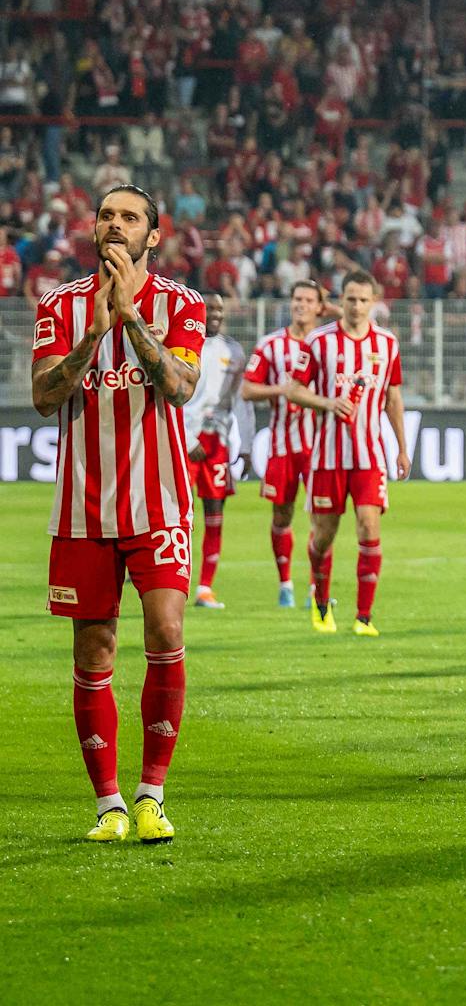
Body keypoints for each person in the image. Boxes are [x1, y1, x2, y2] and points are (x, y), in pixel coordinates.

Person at [33, 184, 205, 844]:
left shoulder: (182, 305)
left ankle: (151, 794)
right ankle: (108, 805)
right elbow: (44, 395)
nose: (114, 224)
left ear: (151, 237)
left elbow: (181, 387)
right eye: (106, 214)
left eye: (129, 217)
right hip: (82, 508)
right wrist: (94, 335)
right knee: (94, 646)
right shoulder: (59, 306)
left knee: (164, 629)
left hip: (159, 502)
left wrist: (131, 320)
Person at [295, 272, 409, 637]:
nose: (357, 306)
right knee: (324, 536)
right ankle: (321, 602)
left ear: (373, 301)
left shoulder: (388, 344)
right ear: (340, 301)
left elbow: (392, 398)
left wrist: (403, 449)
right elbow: (295, 390)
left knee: (368, 526)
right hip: (327, 456)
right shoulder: (319, 341)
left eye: (363, 300)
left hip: (369, 455)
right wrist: (328, 401)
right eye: (350, 299)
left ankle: (364, 616)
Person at [241, 278, 324, 608]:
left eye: (308, 299)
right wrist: (282, 391)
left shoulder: (327, 344)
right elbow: (248, 389)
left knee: (321, 518)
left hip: (319, 446)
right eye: (297, 299)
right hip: (282, 445)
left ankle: (317, 587)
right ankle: (286, 584)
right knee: (282, 515)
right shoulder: (271, 345)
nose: (301, 304)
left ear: (319, 306)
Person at [182, 291, 244, 610]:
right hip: (185, 441)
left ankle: (205, 588)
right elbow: (169, 395)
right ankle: (173, 581)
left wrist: (243, 445)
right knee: (179, 515)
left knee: (215, 514)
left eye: (219, 309)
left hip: (217, 442)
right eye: (209, 309)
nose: (215, 315)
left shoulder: (232, 351)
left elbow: (238, 400)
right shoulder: (181, 346)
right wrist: (187, 439)